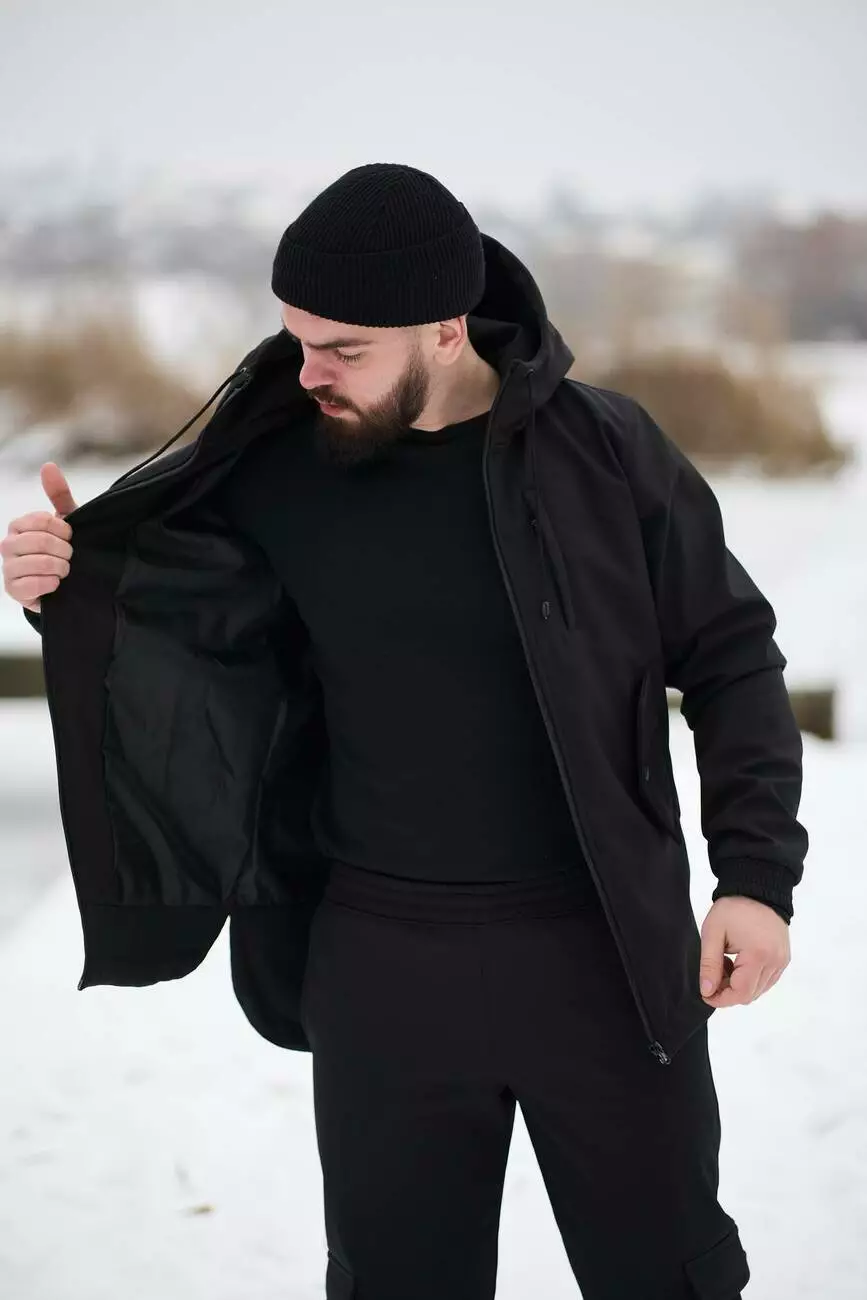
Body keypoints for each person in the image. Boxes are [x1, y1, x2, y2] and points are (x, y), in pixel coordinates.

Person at [1, 163, 807, 1299]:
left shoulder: (607, 455)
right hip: (380, 969)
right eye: (295, 340)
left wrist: (756, 879)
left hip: (604, 959)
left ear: (443, 327)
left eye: (342, 349)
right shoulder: (276, 467)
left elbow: (732, 657)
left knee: (671, 1278)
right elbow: (176, 628)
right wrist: (63, 587)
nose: (307, 372)